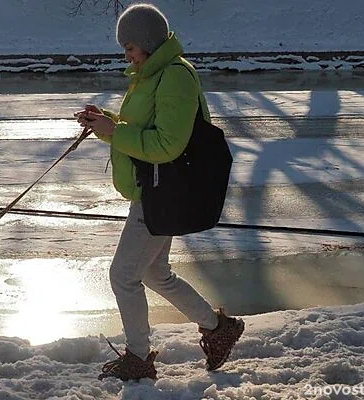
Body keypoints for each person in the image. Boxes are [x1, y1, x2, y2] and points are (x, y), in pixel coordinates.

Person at [75, 3, 244, 381]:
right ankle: (219, 329)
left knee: (122, 275)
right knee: (154, 272)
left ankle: (138, 357)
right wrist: (107, 122)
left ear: (148, 43)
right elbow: (144, 129)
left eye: (130, 47)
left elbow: (168, 144)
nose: (126, 55)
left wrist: (114, 131)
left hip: (162, 191)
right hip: (152, 188)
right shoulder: (151, 74)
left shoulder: (175, 77)